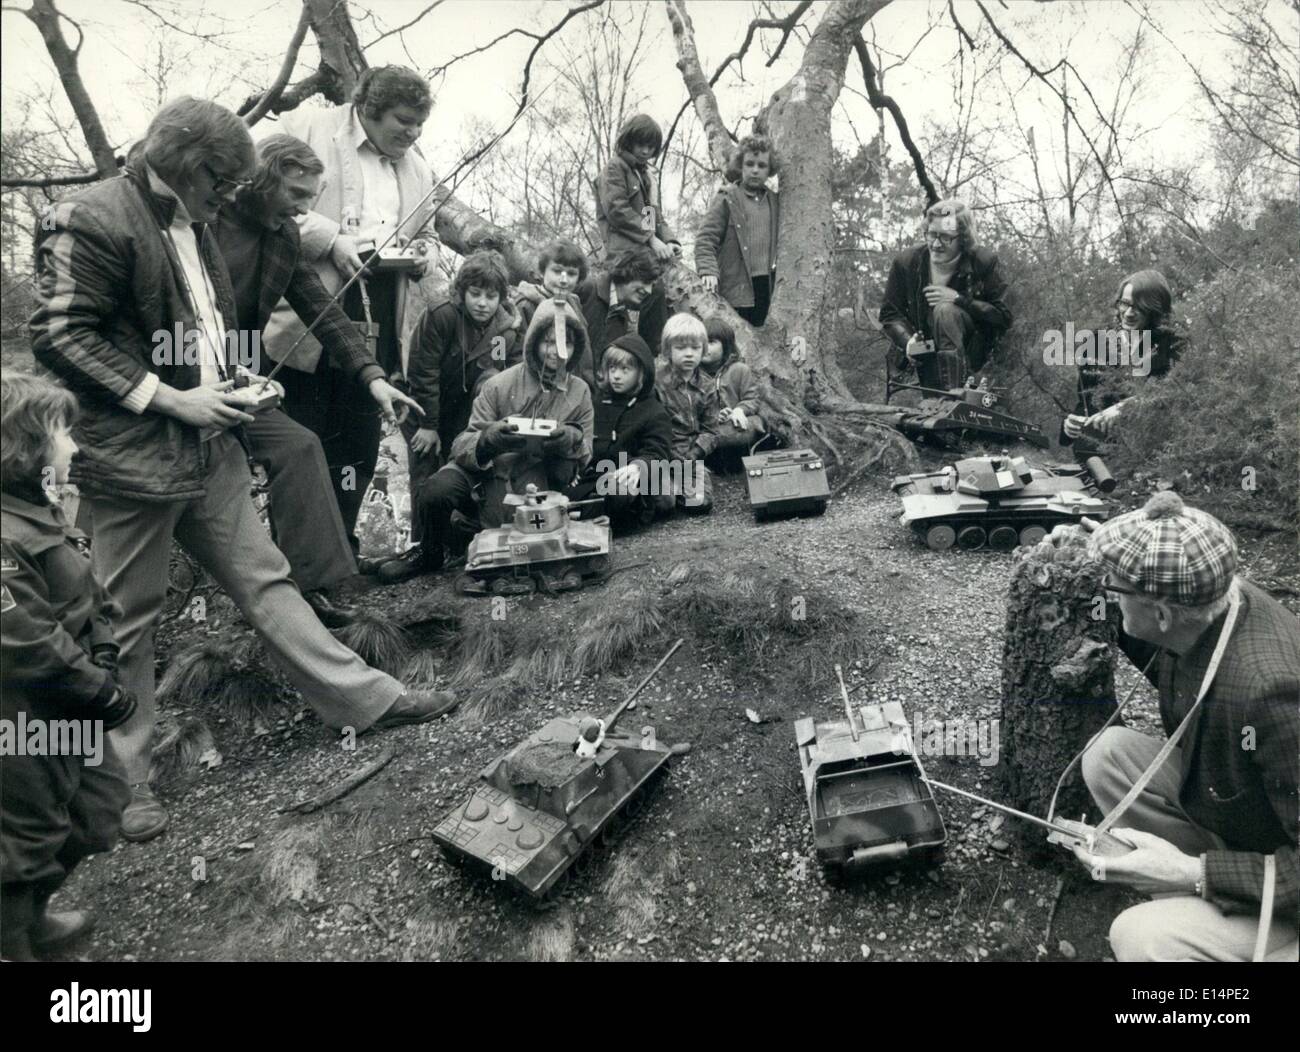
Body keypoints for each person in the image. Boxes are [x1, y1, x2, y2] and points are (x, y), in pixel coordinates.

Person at [29, 97, 456, 844]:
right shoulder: (91, 216)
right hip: (131, 462)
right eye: (219, 183)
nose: (225, 197)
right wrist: (172, 398)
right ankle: (120, 785)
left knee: (266, 580)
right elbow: (59, 334)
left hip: (210, 443)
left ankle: (366, 699)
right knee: (127, 620)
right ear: (192, 169)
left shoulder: (200, 219)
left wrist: (233, 383)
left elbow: (220, 323)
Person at [1066, 492, 1299, 961]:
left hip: (1290, 884)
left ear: (1163, 613)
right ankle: (1203, 904)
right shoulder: (1213, 601)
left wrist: (1192, 873)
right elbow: (1172, 662)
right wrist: (1083, 557)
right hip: (1257, 825)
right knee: (1110, 755)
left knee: (1142, 938)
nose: (1109, 592)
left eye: (1116, 589)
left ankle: (1220, 919)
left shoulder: (1272, 692)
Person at [214, 133, 424, 626]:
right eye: (296, 195)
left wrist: (373, 377)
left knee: (301, 447)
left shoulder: (282, 235)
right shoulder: (209, 225)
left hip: (239, 372)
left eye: (311, 196)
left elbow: (323, 310)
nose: (305, 209)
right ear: (262, 181)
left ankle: (310, 591)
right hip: (190, 372)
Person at [258, 66, 436, 569]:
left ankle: (340, 556)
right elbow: (265, 197)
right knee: (306, 444)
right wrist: (331, 240)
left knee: (358, 446)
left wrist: (425, 253)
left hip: (380, 312)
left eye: (419, 126)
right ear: (369, 109)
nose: (411, 134)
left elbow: (430, 234)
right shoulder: (308, 128)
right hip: (306, 316)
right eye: (403, 122)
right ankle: (292, 567)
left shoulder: (417, 169)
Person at [0, 374, 136, 962]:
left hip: (67, 696)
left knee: (99, 807)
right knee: (26, 836)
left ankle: (29, 914)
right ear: (23, 445)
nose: (74, 447)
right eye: (62, 433)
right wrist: (97, 691)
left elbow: (88, 588)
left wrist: (104, 647)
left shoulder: (40, 506)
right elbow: (23, 640)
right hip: (22, 715)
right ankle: (15, 939)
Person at [391, 298, 594, 581]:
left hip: (536, 479)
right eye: (548, 341)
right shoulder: (499, 384)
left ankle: (474, 544)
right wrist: (489, 439)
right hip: (483, 472)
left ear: (576, 349)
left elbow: (586, 455)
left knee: (510, 542)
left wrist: (569, 438)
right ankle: (430, 552)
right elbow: (461, 445)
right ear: (533, 341)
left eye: (566, 344)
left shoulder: (580, 391)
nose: (557, 352)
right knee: (435, 490)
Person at [378, 251, 520, 583]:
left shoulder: (505, 330)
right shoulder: (442, 316)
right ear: (461, 291)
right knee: (425, 468)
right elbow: (423, 371)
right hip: (424, 405)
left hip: (465, 410)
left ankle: (457, 541)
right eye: (475, 294)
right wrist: (428, 426)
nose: (483, 303)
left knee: (462, 469)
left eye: (491, 295)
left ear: (501, 297)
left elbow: (500, 374)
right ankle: (423, 549)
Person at [879, 198, 1012, 390]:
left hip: (974, 353)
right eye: (931, 234)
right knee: (935, 409)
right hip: (926, 351)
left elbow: (1003, 316)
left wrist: (959, 300)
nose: (936, 244)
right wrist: (908, 342)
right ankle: (948, 398)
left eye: (946, 237)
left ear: (963, 238)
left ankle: (954, 395)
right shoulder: (906, 262)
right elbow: (889, 313)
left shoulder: (984, 261)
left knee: (945, 310)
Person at [1061, 269, 1185, 451]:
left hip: (1157, 453)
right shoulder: (1097, 341)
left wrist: (1123, 409)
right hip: (1099, 455)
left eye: (1139, 307)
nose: (1128, 313)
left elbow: (1171, 394)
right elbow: (1086, 403)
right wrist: (1070, 426)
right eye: (1125, 304)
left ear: (1156, 309)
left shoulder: (1175, 343)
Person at [565, 334, 673, 531]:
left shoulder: (654, 411)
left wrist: (638, 467)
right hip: (593, 479)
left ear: (641, 372)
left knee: (621, 492)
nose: (616, 375)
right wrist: (575, 466)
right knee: (559, 493)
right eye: (612, 368)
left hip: (630, 480)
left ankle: (587, 518)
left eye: (625, 369)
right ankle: (584, 515)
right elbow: (583, 440)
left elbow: (658, 452)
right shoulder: (596, 404)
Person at [594, 114, 678, 354]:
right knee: (637, 298)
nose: (645, 151)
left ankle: (651, 353)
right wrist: (651, 238)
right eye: (641, 144)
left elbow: (651, 214)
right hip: (622, 253)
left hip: (641, 251)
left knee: (658, 295)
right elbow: (617, 211)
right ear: (628, 141)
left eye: (651, 146)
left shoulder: (644, 175)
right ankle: (636, 353)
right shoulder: (614, 168)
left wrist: (668, 239)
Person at [695, 135, 781, 326]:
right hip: (735, 288)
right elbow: (705, 240)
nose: (755, 170)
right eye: (750, 164)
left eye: (762, 165)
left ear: (770, 170)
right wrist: (708, 271)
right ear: (741, 166)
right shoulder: (727, 198)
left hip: (767, 289)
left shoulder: (776, 202)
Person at [654, 313, 719, 514]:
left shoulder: (707, 386)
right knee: (664, 503)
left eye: (695, 348)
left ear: (703, 350)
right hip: (662, 454)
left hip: (692, 458)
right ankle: (667, 488)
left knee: (700, 503)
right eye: (681, 348)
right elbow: (653, 429)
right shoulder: (656, 384)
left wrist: (694, 454)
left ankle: (689, 486)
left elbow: (711, 431)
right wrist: (670, 456)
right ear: (667, 350)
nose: (689, 354)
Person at [580, 246, 665, 366]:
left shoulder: (625, 312)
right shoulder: (588, 289)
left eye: (652, 284)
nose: (649, 290)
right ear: (629, 273)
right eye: (646, 282)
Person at [700, 316, 766, 467]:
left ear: (726, 346)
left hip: (735, 424)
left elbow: (753, 399)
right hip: (708, 425)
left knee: (752, 425)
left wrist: (739, 410)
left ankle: (736, 464)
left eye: (710, 343)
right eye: (700, 342)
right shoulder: (693, 373)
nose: (704, 348)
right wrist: (713, 416)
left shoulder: (739, 370)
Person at [513, 239, 588, 334]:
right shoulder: (525, 306)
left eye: (571, 273)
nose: (564, 280)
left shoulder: (574, 303)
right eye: (557, 271)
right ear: (542, 271)